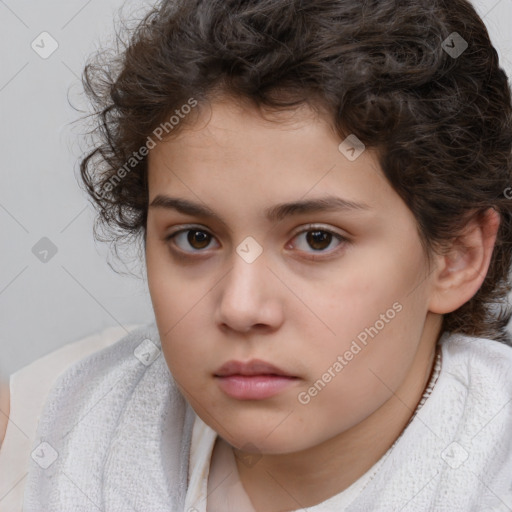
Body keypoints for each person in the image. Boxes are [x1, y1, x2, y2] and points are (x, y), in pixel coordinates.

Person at [2, 0, 512, 510]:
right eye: (195, 238)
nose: (241, 307)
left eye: (317, 239)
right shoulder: (33, 435)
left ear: (457, 258)